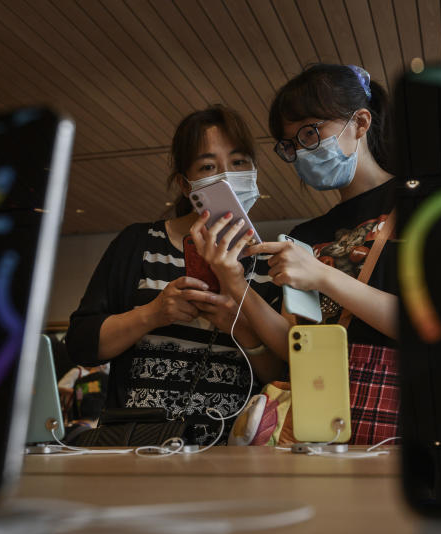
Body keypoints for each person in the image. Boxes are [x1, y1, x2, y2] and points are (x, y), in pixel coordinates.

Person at [191, 64, 399, 444]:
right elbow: (294, 344)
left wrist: (321, 275)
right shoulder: (307, 235)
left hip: (395, 416)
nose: (302, 151)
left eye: (310, 132)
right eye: (291, 144)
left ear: (361, 122)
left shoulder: (419, 202)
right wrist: (236, 284)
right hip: (319, 417)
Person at [66, 105, 283, 445]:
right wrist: (153, 313)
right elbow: (81, 344)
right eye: (209, 166)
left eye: (239, 162)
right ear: (186, 184)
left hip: (233, 450)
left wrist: (239, 327)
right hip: (139, 443)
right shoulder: (138, 243)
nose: (227, 177)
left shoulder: (272, 263)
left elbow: (283, 376)